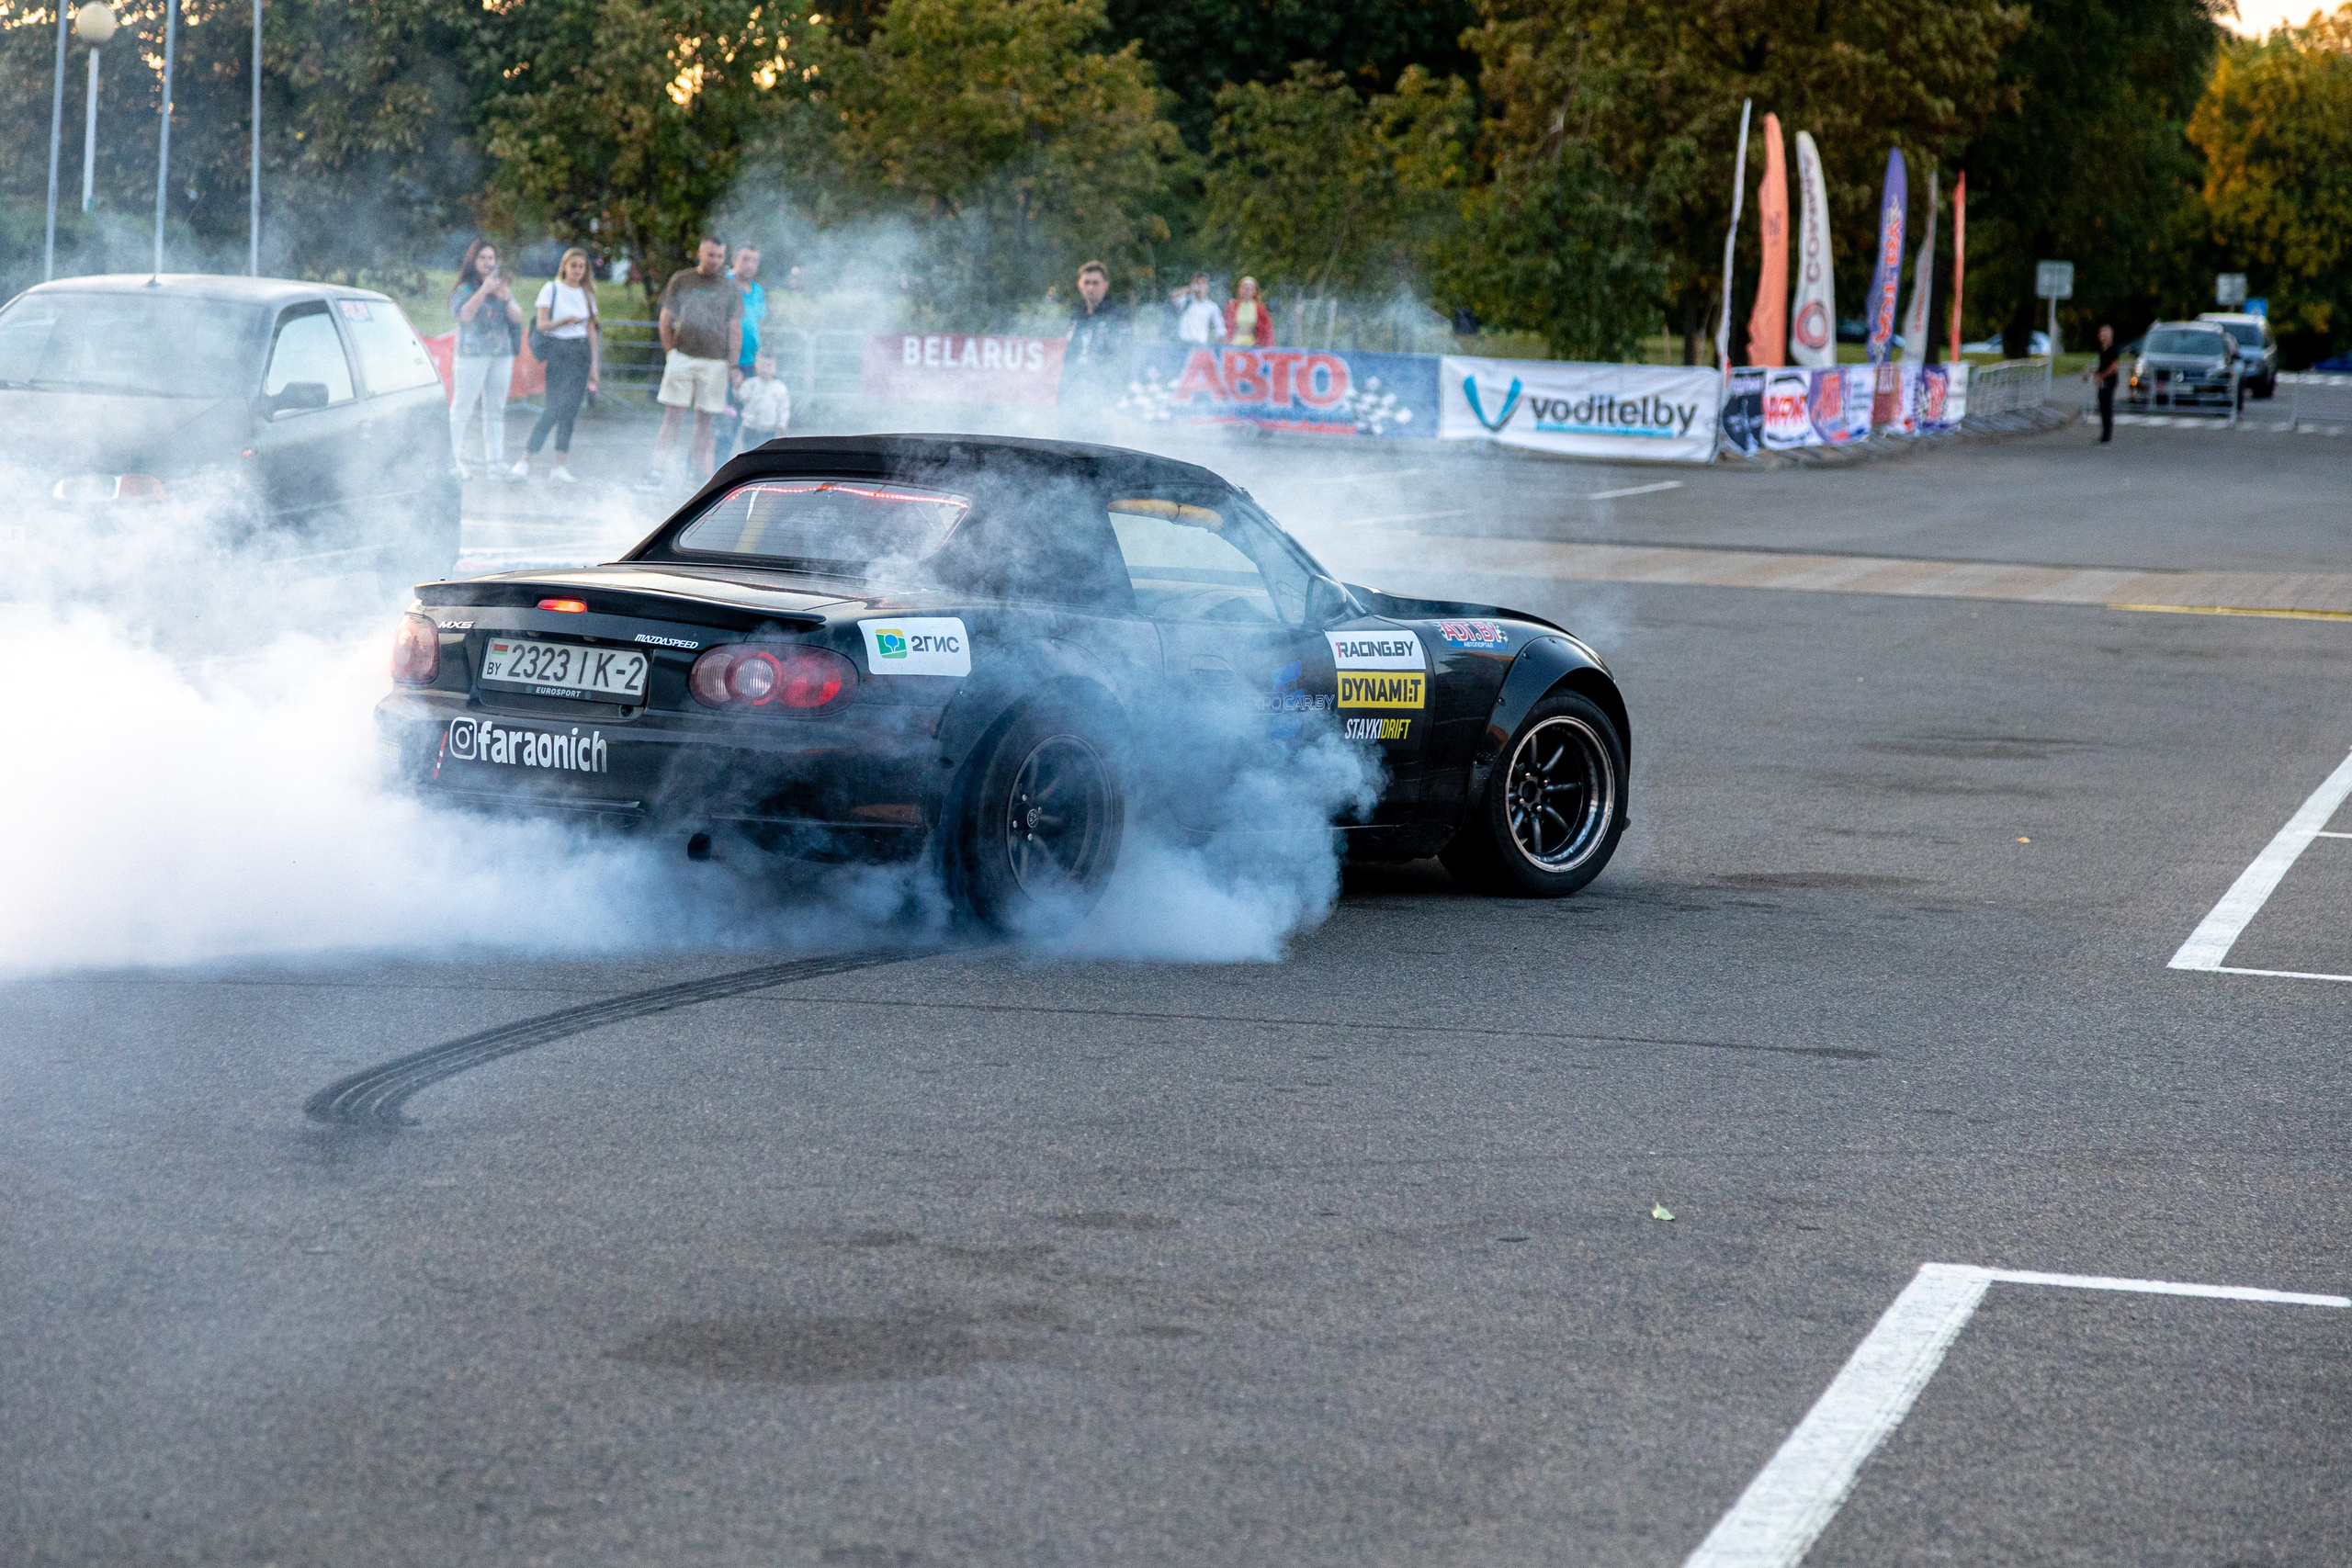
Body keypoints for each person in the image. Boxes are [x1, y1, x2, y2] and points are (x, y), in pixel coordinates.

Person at [638, 236, 743, 490]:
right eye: (711, 255)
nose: (715, 261)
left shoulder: (730, 288)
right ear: (699, 253)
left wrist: (733, 365)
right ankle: (656, 471)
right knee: (672, 416)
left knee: (705, 421)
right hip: (683, 357)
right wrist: (670, 353)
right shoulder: (682, 280)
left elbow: (735, 328)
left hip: (715, 362)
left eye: (719, 256)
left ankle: (695, 475)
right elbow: (666, 318)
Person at [514, 247, 600, 484]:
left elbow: (591, 330)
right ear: (564, 266)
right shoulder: (551, 289)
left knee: (570, 411)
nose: (577, 271)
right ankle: (526, 459)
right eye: (573, 266)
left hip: (580, 353)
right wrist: (564, 321)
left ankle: (559, 465)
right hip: (559, 352)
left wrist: (594, 366)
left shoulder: (587, 295)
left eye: (581, 267)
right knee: (552, 409)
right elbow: (541, 324)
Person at [448, 240, 523, 472]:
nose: (488, 262)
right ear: (473, 261)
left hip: (501, 354)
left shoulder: (502, 287)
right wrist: (483, 290)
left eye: (491, 258)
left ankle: (496, 462)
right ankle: (452, 461)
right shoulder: (464, 289)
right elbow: (465, 316)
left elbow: (518, 317)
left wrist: (506, 299)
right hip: (472, 354)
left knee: (496, 408)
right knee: (463, 406)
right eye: (483, 258)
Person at [712, 243, 768, 463]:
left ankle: (748, 468)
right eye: (745, 259)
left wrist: (760, 359)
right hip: (725, 362)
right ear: (734, 259)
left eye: (754, 260)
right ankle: (711, 471)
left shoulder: (758, 291)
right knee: (723, 421)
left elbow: (758, 326)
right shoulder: (723, 284)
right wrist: (730, 365)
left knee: (751, 418)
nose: (750, 265)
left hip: (750, 364)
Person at [1061, 260, 1132, 423]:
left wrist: (1112, 401)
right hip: (1074, 392)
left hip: (1102, 395)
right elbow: (1068, 355)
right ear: (1080, 285)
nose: (1090, 288)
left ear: (1105, 285)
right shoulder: (1076, 315)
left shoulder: (1118, 316)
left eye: (1095, 283)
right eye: (1086, 283)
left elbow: (1123, 359)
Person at [735, 351, 791, 448]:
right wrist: (737, 386)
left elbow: (784, 408)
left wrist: (782, 424)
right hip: (750, 428)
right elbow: (740, 397)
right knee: (750, 453)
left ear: (775, 368)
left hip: (769, 429)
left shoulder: (779, 387)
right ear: (756, 365)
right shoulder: (750, 384)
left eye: (769, 366)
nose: (765, 369)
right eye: (762, 365)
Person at [1224, 276, 1275, 347]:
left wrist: (1268, 346)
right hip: (1233, 343)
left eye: (1251, 288)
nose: (1248, 290)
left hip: (1253, 344)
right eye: (1245, 287)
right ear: (1240, 289)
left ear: (1255, 291)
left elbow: (1267, 328)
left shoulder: (1260, 308)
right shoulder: (1232, 305)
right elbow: (1225, 325)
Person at [1176, 273, 1224, 346]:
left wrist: (1215, 345)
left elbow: (1220, 329)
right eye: (1197, 283)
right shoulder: (1185, 301)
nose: (1200, 286)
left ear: (1207, 286)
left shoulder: (1211, 306)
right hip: (1183, 344)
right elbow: (1173, 296)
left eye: (1203, 283)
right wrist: (1189, 289)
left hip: (1201, 346)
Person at [2093, 322, 2120, 444]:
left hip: (2109, 381)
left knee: (2107, 406)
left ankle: (2107, 436)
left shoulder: (2112, 349)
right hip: (2102, 381)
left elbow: (2114, 367)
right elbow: (2102, 365)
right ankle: (2104, 434)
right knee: (2102, 406)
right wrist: (2095, 373)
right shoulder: (2102, 348)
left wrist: (2101, 376)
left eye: (2103, 333)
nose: (2100, 335)